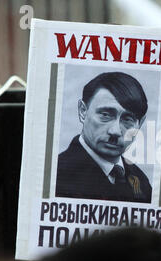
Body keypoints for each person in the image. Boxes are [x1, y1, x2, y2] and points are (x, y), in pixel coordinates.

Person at [56, 72, 152, 203]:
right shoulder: (57, 175)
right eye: (105, 115)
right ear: (83, 111)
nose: (115, 131)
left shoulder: (141, 182)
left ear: (139, 124)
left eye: (128, 119)